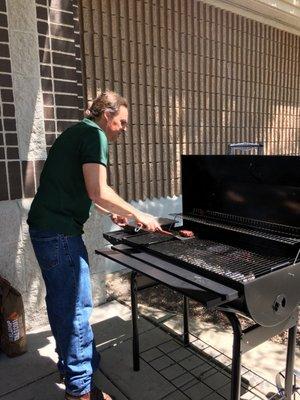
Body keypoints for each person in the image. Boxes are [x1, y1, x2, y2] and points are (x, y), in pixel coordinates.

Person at [27, 91, 162, 400]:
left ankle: (74, 364)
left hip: (46, 230)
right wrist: (137, 212)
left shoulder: (75, 132)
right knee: (76, 309)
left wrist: (113, 210)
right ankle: (80, 390)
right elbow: (97, 189)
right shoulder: (94, 136)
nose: (124, 129)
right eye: (122, 122)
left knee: (62, 305)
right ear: (106, 116)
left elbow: (92, 191)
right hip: (60, 234)